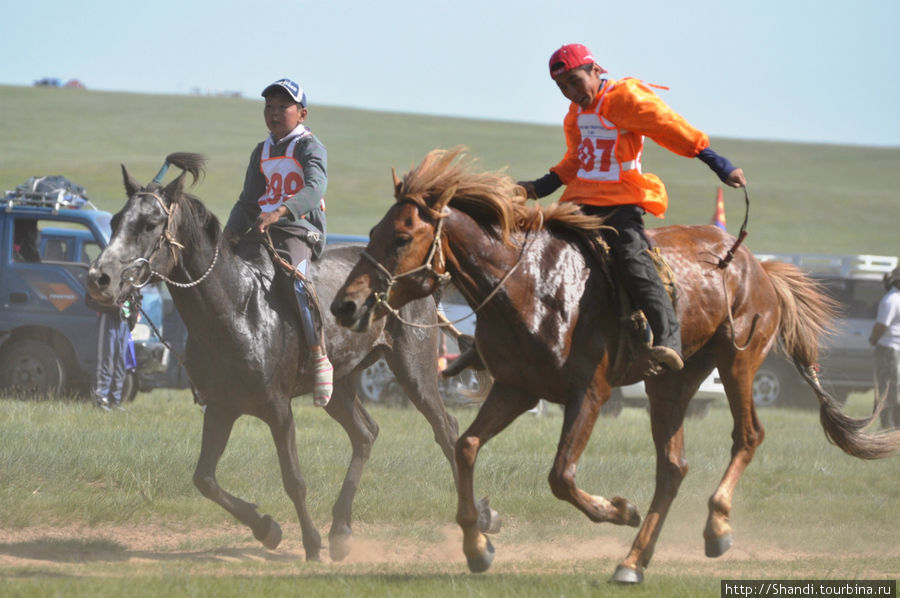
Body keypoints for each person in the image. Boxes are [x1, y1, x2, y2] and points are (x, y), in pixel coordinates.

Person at [518, 43, 747, 373]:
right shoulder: (576, 115)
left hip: (621, 202)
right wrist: (536, 188)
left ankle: (669, 339)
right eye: (562, 87)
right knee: (540, 250)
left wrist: (719, 164)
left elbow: (669, 127)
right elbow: (575, 161)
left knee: (631, 259)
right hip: (580, 202)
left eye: (574, 81)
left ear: (596, 71)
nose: (570, 92)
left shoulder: (625, 98)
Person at [224, 78, 333, 407]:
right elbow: (248, 202)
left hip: (300, 230)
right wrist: (230, 233)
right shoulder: (262, 150)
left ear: (301, 113)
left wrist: (281, 212)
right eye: (268, 106)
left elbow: (315, 188)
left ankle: (318, 356)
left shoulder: (309, 147)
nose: (273, 113)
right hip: (262, 229)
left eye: (282, 106)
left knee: (297, 283)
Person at [86, 293, 139, 411]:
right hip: (108, 317)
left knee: (120, 363)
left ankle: (115, 401)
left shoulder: (129, 277)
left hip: (124, 321)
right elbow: (90, 297)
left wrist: (133, 314)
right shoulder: (107, 276)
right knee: (105, 360)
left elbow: (135, 295)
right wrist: (113, 308)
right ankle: (100, 400)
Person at [869, 266, 900, 428]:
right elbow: (881, 325)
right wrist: (874, 339)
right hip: (889, 350)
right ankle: (887, 429)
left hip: (895, 350)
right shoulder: (891, 300)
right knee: (888, 391)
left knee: (896, 390)